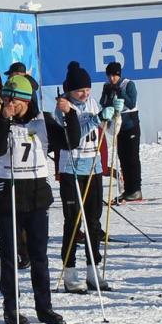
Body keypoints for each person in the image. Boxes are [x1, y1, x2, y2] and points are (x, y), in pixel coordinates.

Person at [0, 71, 63, 324]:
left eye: (14, 101)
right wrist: (4, 119)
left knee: (39, 255)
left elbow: (69, 142)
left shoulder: (44, 121)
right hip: (9, 193)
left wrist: (70, 116)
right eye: (6, 100)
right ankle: (11, 308)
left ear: (27, 100)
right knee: (9, 255)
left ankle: (45, 307)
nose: (10, 105)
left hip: (37, 194)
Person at [46, 61, 111, 291]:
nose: (84, 94)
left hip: (93, 167)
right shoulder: (62, 107)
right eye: (79, 91)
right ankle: (70, 271)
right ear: (69, 91)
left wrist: (111, 116)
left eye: (87, 90)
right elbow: (76, 135)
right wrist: (96, 118)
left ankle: (93, 271)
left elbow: (104, 128)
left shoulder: (91, 101)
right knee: (73, 221)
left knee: (94, 221)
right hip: (71, 168)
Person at [100, 60, 143, 202]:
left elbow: (131, 102)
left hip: (130, 124)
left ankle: (136, 189)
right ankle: (127, 189)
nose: (112, 79)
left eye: (114, 76)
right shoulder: (107, 86)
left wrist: (121, 93)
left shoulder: (128, 84)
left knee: (132, 158)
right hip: (117, 126)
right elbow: (103, 103)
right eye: (109, 76)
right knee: (122, 157)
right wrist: (107, 96)